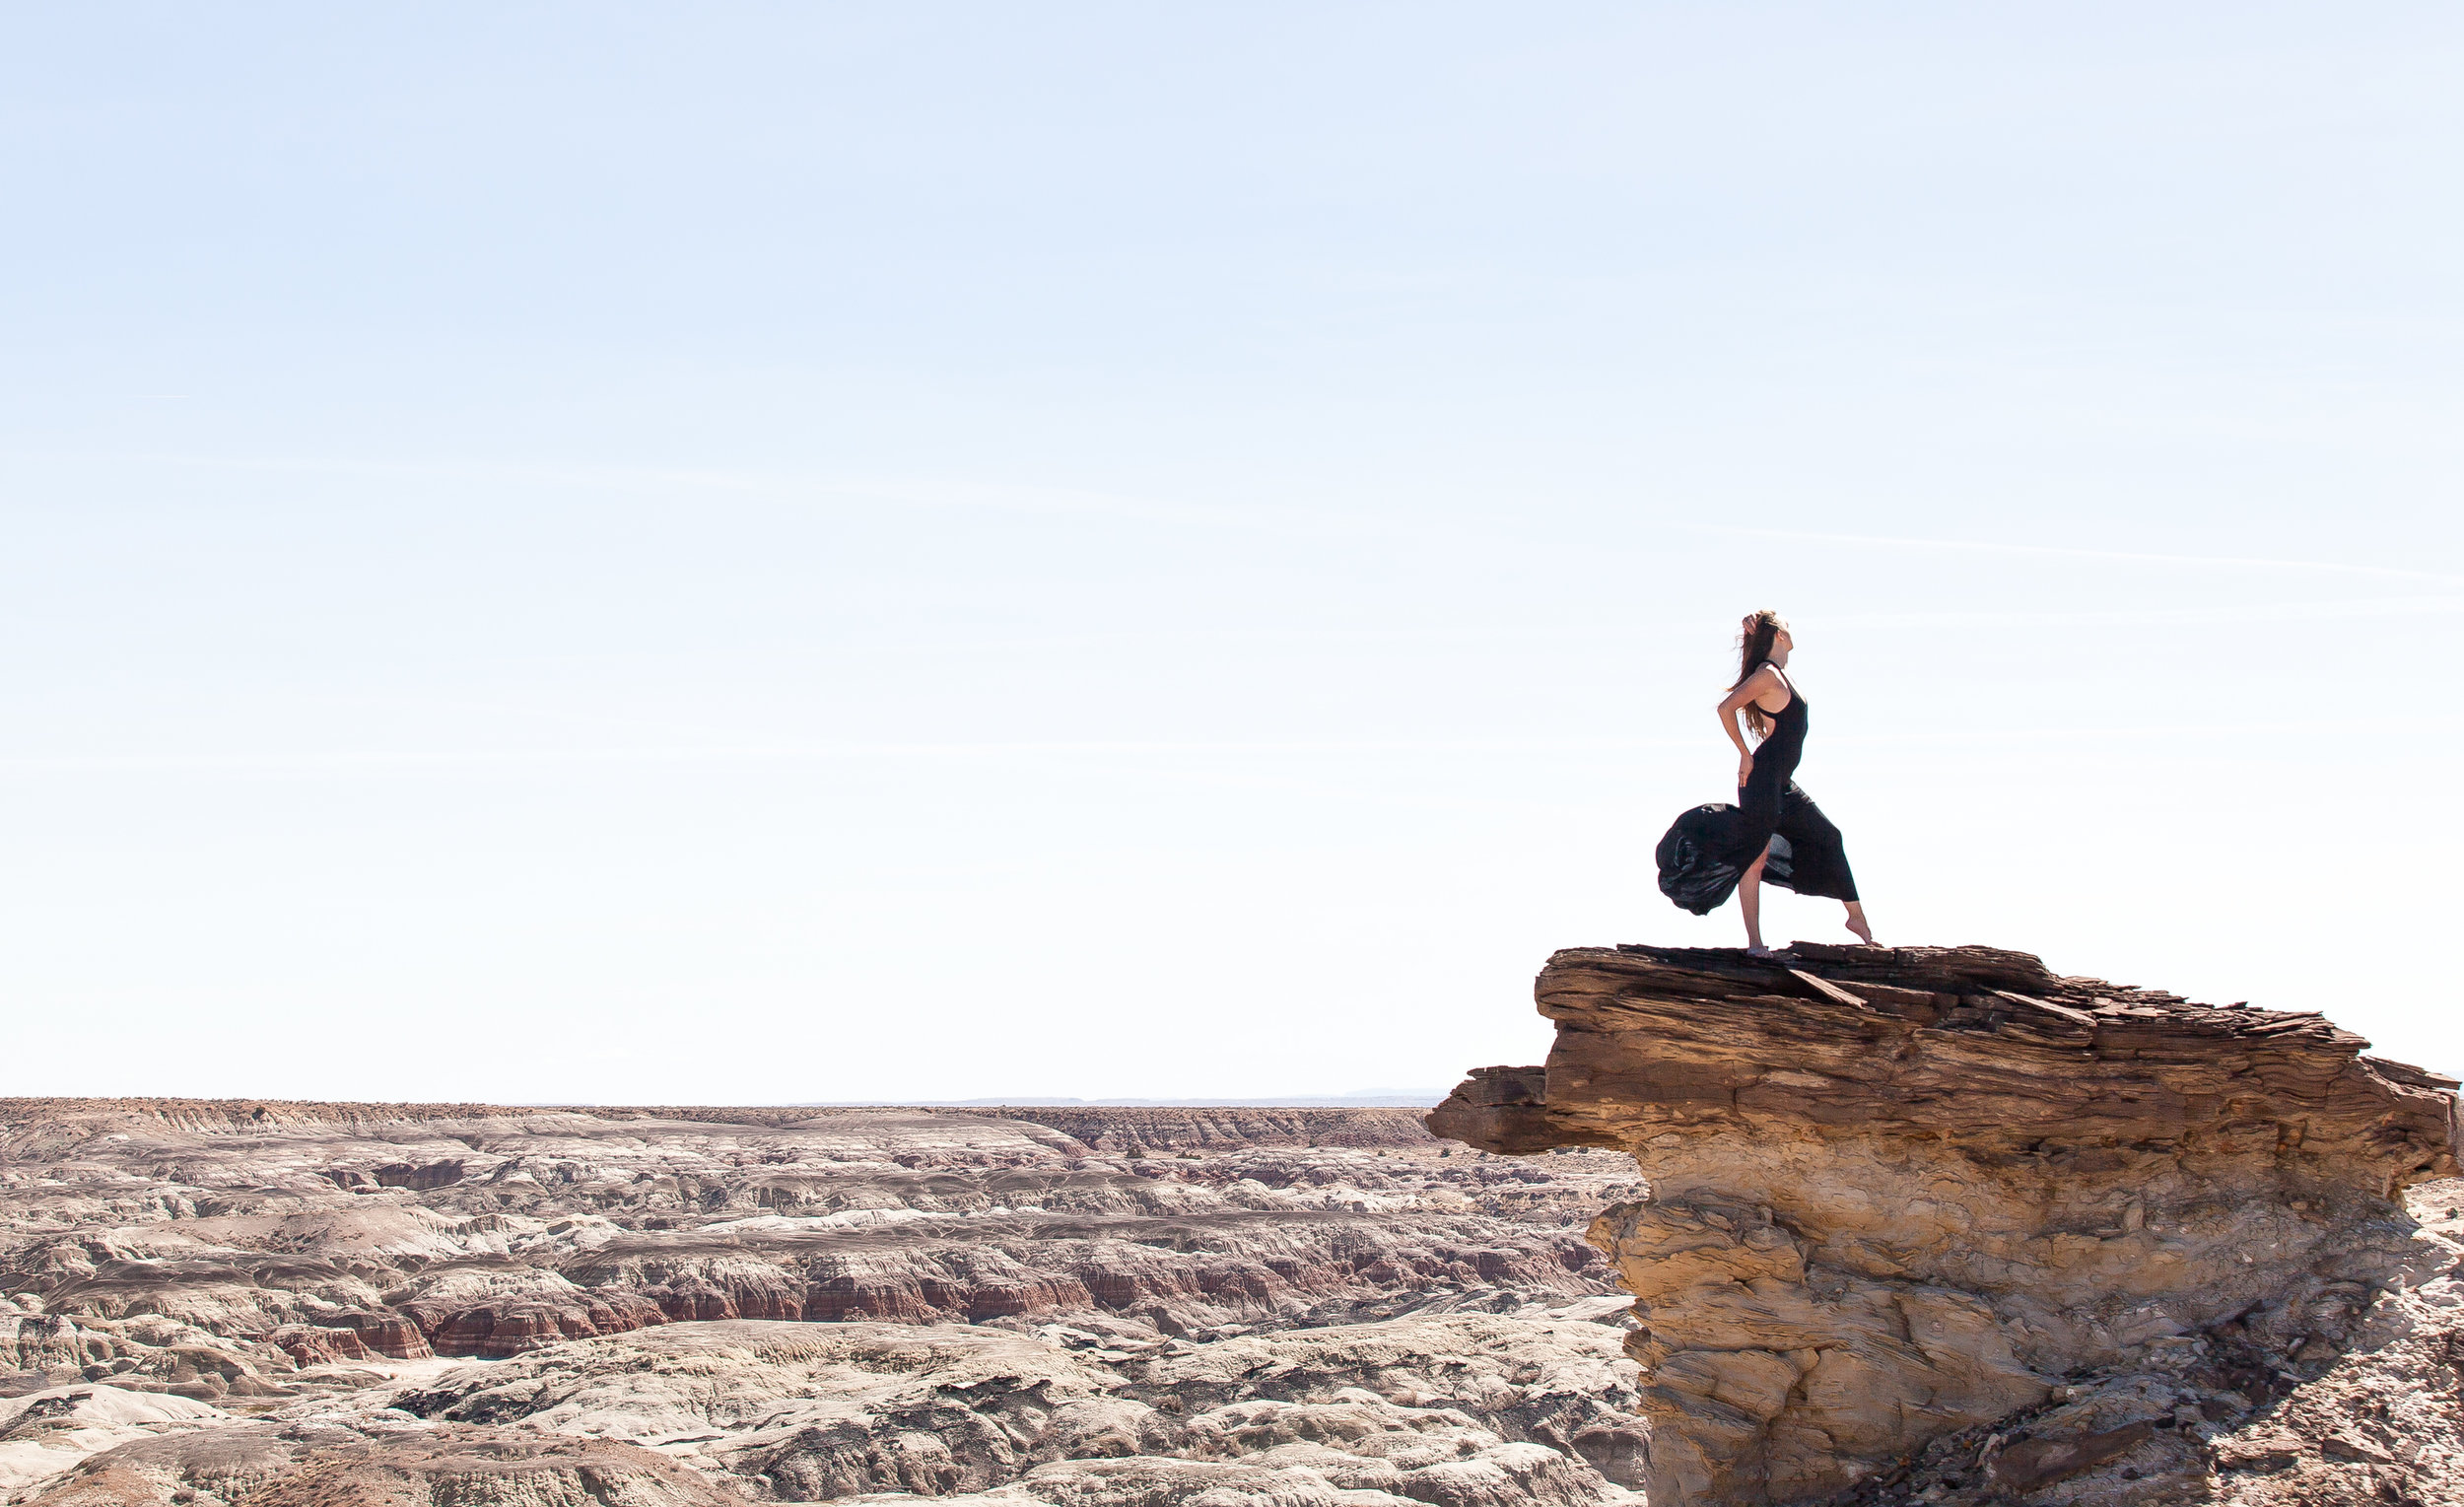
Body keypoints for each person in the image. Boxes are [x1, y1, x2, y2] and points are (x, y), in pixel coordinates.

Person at [1655, 610, 1875, 954]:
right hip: (1762, 781)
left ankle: (1856, 917)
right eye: (1786, 625)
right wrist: (1744, 753)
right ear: (1780, 636)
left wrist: (1754, 638)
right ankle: (1755, 943)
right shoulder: (1768, 676)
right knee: (1755, 858)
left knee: (1829, 836)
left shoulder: (1778, 674)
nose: (1791, 628)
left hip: (1781, 783)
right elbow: (1726, 708)